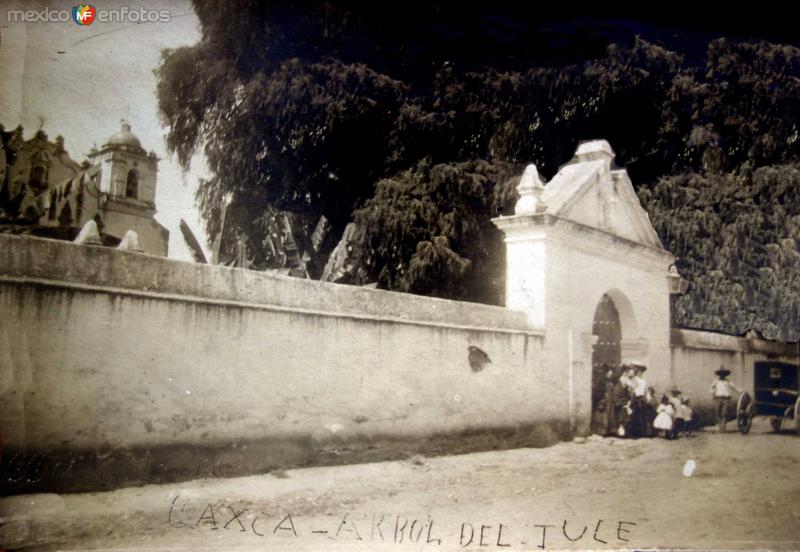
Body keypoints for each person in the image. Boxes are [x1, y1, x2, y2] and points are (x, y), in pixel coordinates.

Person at [710, 367, 741, 432]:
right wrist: (713, 392)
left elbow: (734, 388)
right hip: (717, 398)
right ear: (719, 374)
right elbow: (711, 388)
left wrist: (741, 391)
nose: (722, 375)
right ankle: (720, 427)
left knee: (724, 413)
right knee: (717, 413)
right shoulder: (716, 381)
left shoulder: (728, 381)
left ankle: (723, 428)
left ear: (725, 374)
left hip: (726, 399)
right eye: (721, 374)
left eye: (723, 374)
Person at [624, 363, 649, 438]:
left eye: (641, 371)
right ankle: (632, 433)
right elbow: (630, 389)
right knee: (633, 416)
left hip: (640, 399)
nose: (639, 372)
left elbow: (644, 391)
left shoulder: (643, 381)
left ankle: (639, 433)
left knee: (640, 416)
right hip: (634, 399)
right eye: (638, 371)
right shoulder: (633, 380)